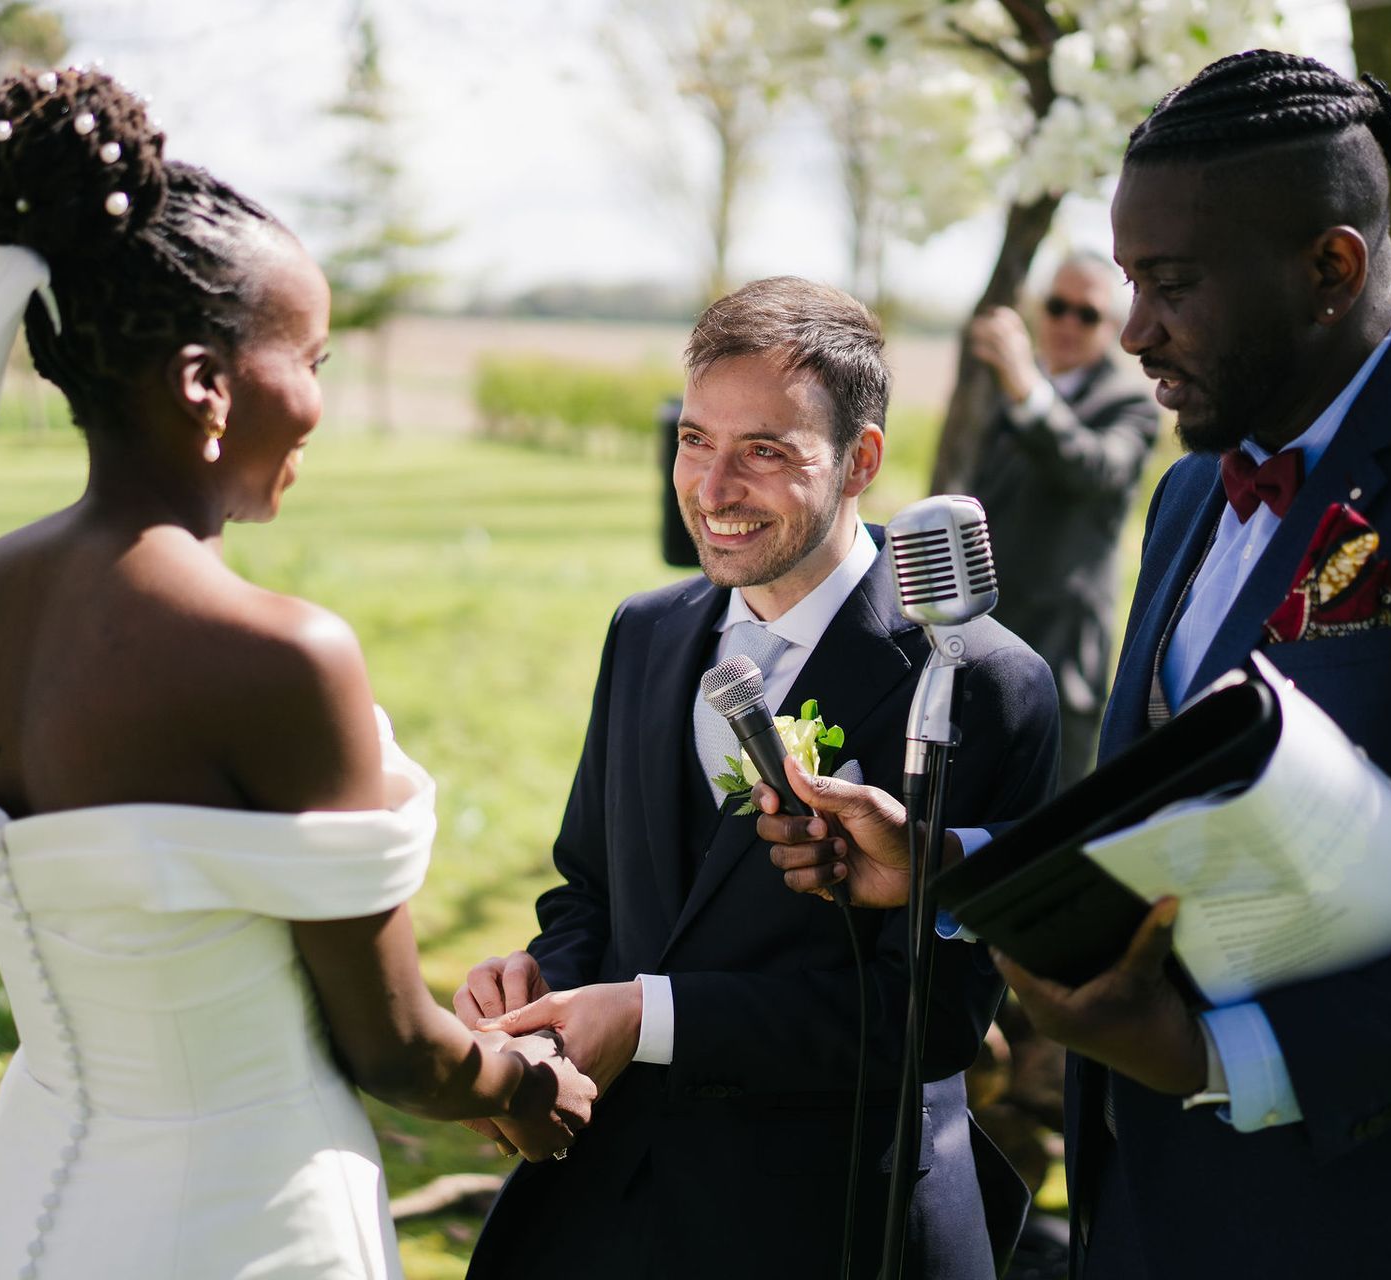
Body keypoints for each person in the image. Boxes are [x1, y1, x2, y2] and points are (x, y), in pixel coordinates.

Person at [757, 49, 1391, 1280]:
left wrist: (1213, 1058)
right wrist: (945, 862)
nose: (1134, 329)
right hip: (1142, 1211)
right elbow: (1161, 815)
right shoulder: (1193, 490)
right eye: (1130, 281)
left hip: (1383, 1224)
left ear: (1330, 268)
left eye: (1173, 284)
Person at [0, 68, 595, 1280]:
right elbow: (392, 1046)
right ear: (207, 384)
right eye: (306, 357)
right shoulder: (276, 655)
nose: (315, 401)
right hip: (244, 1216)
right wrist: (526, 1080)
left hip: (30, 1198)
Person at [453, 277, 1063, 1279]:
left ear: (861, 460)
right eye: (696, 439)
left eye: (765, 451)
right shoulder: (645, 632)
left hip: (835, 1219)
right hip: (611, 1204)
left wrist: (648, 1016)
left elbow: (935, 1015)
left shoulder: (982, 680)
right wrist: (543, 997)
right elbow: (591, 889)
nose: (712, 485)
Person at [965, 253, 1161, 791]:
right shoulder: (1002, 390)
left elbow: (1092, 469)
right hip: (984, 634)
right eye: (1057, 307)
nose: (1068, 324)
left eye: (1087, 313)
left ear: (1112, 326)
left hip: (1061, 654)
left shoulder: (1130, 405)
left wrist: (1028, 390)